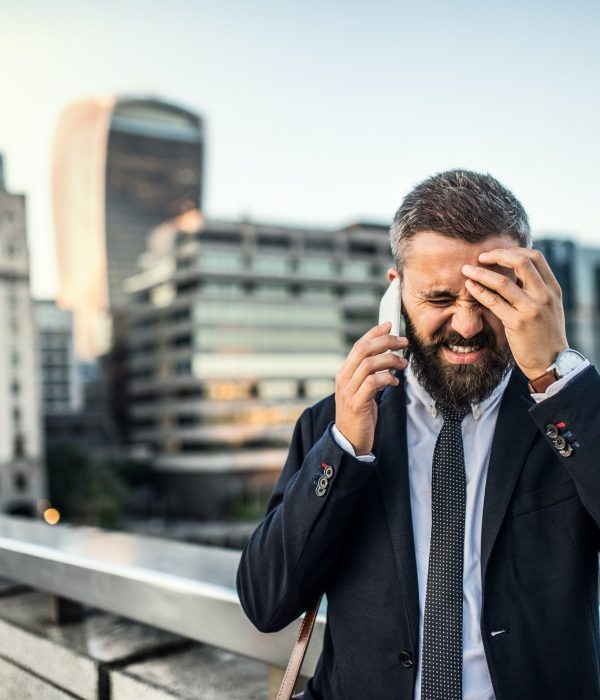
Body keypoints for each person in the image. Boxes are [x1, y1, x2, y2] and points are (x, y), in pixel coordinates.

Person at [236, 170, 600, 700]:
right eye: (440, 298)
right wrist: (345, 448)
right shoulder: (331, 424)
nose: (468, 324)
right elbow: (266, 601)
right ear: (396, 294)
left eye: (490, 297)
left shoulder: (572, 410)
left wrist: (555, 376)